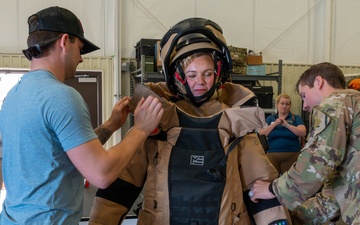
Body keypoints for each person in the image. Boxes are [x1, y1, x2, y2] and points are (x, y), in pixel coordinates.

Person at [88, 17, 292, 225]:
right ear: (179, 76)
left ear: (218, 73)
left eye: (208, 74)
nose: (200, 82)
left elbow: (260, 190)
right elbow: (120, 188)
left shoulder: (236, 121)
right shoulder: (155, 119)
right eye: (192, 74)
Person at [0, 6, 163, 224]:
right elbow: (101, 175)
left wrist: (111, 125)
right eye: (80, 48)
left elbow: (66, 152)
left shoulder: (13, 96)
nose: (81, 59)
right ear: (64, 41)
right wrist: (141, 128)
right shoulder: (61, 96)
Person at [249, 62, 360, 224]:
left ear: (318, 82)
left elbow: (316, 165)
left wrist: (272, 189)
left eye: (303, 95)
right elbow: (336, 195)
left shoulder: (334, 104)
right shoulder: (354, 106)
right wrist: (293, 216)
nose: (305, 105)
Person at [259, 93, 306, 174]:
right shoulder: (270, 119)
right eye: (282, 103)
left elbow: (302, 132)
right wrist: (274, 124)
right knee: (272, 179)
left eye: (287, 104)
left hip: (292, 154)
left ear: (290, 106)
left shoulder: (296, 118)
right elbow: (262, 134)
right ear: (277, 104)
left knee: (289, 181)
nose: (284, 106)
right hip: (272, 154)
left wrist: (287, 125)